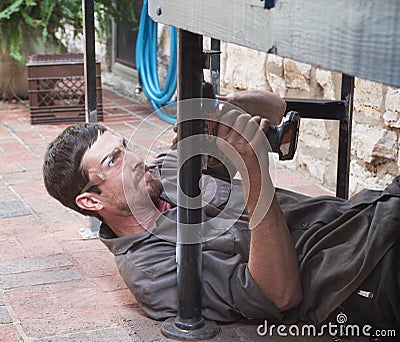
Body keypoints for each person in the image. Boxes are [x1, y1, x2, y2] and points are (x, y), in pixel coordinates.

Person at [42, 91, 400, 332]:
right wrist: (253, 167)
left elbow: (275, 108)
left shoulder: (166, 169)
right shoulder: (151, 272)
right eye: (113, 160)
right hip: (363, 275)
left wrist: (227, 106)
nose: (136, 161)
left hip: (371, 213)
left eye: (125, 146)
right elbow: (280, 294)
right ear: (91, 201)